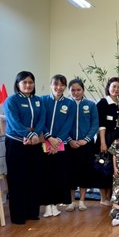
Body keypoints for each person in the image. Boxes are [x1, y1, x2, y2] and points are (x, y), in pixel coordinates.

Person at [4, 71, 46, 225]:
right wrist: (29, 134)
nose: (28, 85)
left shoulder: (38, 100)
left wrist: (35, 135)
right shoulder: (11, 100)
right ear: (18, 84)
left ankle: (32, 212)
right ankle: (18, 216)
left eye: (30, 82)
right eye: (24, 82)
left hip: (34, 144)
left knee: (34, 178)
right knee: (18, 179)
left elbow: (42, 119)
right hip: (16, 144)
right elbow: (14, 122)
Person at [41, 74, 76, 218]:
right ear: (51, 85)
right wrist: (49, 137)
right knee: (45, 175)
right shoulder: (42, 100)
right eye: (56, 84)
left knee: (58, 175)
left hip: (61, 144)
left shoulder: (70, 104)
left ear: (65, 87)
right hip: (44, 142)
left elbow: (68, 124)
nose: (58, 87)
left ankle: (54, 205)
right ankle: (46, 206)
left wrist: (58, 141)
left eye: (62, 85)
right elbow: (41, 121)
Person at [66, 78, 99, 212]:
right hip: (69, 145)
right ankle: (72, 201)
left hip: (86, 145)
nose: (76, 92)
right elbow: (62, 125)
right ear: (69, 91)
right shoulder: (66, 105)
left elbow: (95, 124)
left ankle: (82, 201)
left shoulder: (91, 105)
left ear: (83, 90)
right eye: (73, 90)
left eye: (78, 90)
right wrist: (69, 140)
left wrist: (86, 139)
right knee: (70, 173)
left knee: (85, 172)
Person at [95, 77, 119, 206]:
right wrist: (103, 142)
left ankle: (109, 197)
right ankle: (103, 198)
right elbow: (101, 124)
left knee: (113, 170)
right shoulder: (103, 103)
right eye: (113, 86)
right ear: (108, 88)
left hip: (117, 142)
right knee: (102, 169)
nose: (116, 89)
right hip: (105, 140)